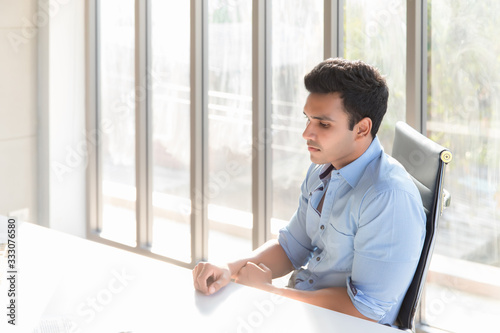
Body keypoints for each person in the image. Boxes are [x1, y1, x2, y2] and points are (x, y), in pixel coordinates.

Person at [192, 58, 425, 326]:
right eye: (308, 119)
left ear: (362, 128)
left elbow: (366, 309)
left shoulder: (387, 196)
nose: (306, 133)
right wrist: (229, 268)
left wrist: (272, 293)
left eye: (323, 124)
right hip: (304, 313)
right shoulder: (323, 169)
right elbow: (292, 247)